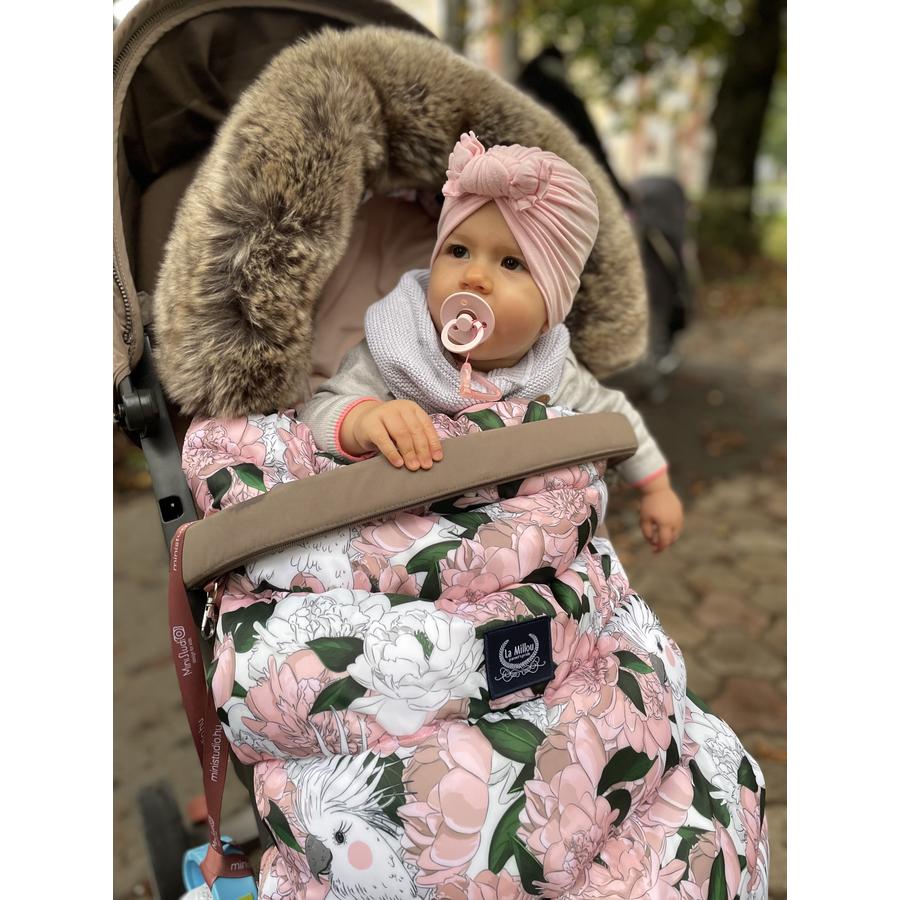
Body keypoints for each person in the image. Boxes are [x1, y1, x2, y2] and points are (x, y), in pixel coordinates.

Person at [301, 133, 683, 552]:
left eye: (511, 262)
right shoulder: (398, 345)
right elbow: (316, 413)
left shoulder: (552, 370)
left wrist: (656, 488)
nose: (474, 277)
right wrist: (363, 420)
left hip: (513, 541)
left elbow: (615, 420)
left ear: (549, 311)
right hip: (404, 536)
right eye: (459, 251)